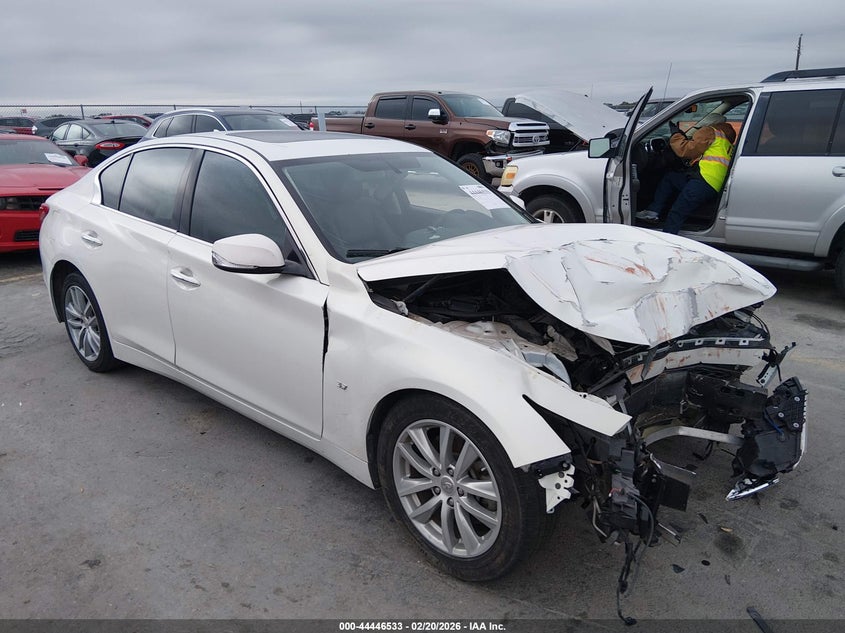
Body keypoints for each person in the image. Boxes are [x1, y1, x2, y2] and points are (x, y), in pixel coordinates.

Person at [636, 116, 736, 234]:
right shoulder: (726, 144)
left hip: (703, 182)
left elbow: (685, 150)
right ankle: (652, 211)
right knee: (671, 178)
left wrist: (675, 135)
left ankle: (669, 242)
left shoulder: (710, 132)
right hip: (714, 185)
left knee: (676, 213)